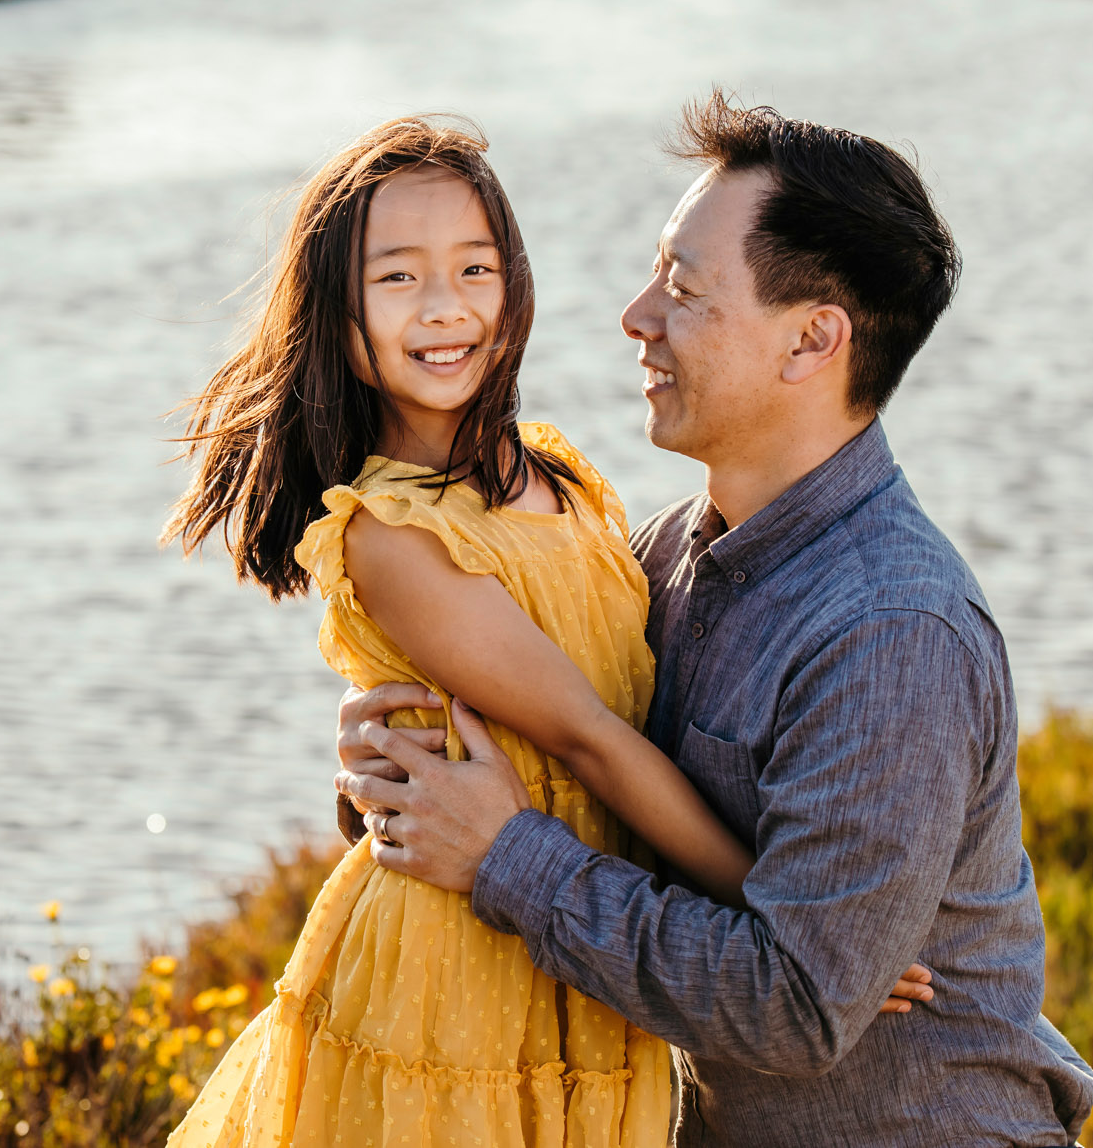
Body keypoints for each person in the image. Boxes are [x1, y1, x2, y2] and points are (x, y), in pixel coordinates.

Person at [334, 98, 1093, 1146]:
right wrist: (394, 769)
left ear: (811, 341)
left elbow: (794, 1009)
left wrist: (509, 858)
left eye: (682, 288)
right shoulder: (655, 561)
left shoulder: (889, 631)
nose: (634, 314)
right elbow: (545, 757)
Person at [160, 114, 932, 1148]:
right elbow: (583, 734)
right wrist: (776, 916)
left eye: (473, 267)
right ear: (335, 314)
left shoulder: (561, 475)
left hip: (564, 952)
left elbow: (601, 692)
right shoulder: (391, 533)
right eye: (395, 279)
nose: (443, 308)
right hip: (459, 970)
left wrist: (816, 942)